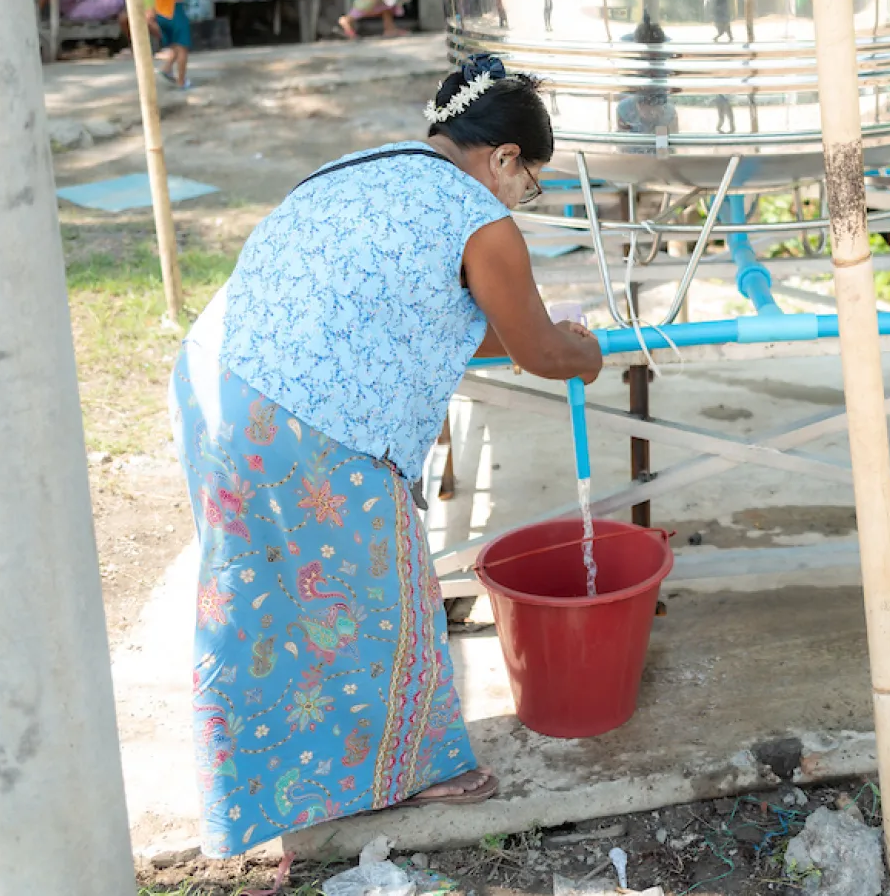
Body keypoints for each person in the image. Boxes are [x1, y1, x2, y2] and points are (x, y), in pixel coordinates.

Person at [170, 53, 602, 856]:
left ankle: (251, 793)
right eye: (529, 178)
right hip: (302, 418)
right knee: (375, 596)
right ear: (504, 157)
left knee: (253, 594)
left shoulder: (359, 165)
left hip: (212, 379)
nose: (522, 195)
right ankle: (399, 771)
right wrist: (587, 352)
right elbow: (539, 350)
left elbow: (375, 301)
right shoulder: (481, 219)